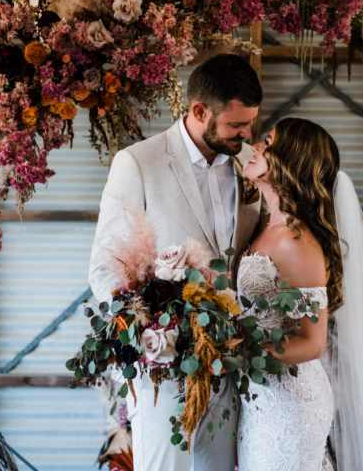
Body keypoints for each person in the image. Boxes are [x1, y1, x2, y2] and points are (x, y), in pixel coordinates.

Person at [89, 53, 264, 471]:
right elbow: (104, 268)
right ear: (199, 111)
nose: (248, 134)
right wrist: (154, 335)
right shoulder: (138, 162)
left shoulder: (246, 166)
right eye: (237, 125)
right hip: (164, 371)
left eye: (250, 123)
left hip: (230, 364)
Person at [236, 117, 363, 471]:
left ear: (290, 160)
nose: (255, 146)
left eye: (267, 141)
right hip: (262, 399)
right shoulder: (268, 226)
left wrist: (237, 354)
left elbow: (312, 343)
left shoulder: (296, 241)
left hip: (289, 403)